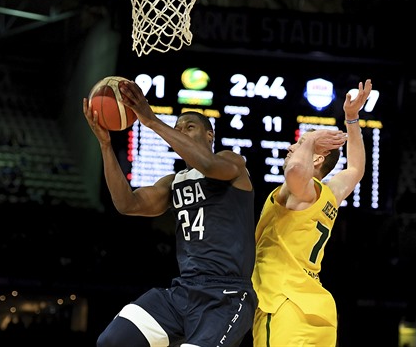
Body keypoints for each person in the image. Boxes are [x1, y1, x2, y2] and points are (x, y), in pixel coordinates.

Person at [83, 79, 258, 347]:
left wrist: (152, 121)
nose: (181, 131)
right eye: (177, 128)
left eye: (189, 127)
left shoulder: (231, 162)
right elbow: (126, 204)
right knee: (112, 341)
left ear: (209, 135)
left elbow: (208, 164)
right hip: (183, 291)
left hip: (226, 295)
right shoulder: (173, 182)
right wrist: (106, 146)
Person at [252, 79, 372, 347]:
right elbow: (357, 169)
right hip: (319, 311)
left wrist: (311, 140)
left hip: (284, 305)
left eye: (298, 145)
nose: (291, 149)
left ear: (317, 159)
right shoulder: (330, 193)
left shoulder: (303, 192)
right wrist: (352, 119)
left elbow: (295, 171)